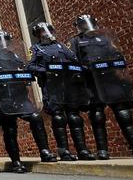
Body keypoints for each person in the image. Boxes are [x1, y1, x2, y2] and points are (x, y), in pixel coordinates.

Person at [69, 15, 133, 159]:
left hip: (111, 80)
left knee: (123, 113)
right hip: (92, 82)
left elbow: (116, 53)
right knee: (97, 116)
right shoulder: (76, 41)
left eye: (89, 23)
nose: (86, 26)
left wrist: (118, 61)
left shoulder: (104, 38)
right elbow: (73, 61)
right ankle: (102, 150)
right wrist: (83, 69)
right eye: (83, 24)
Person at [0, 30, 57, 173]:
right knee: (10, 128)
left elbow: (25, 71)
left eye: (6, 40)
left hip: (20, 97)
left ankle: (44, 151)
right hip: (3, 98)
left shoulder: (15, 57)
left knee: (36, 118)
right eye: (0, 41)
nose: (3, 43)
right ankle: (16, 161)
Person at [27, 22, 95, 161]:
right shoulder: (35, 49)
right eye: (42, 31)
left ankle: (82, 150)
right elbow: (30, 66)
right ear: (38, 34)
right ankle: (64, 151)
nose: (46, 33)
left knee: (74, 117)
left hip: (69, 85)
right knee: (58, 117)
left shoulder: (61, 46)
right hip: (52, 87)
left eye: (48, 30)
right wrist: (46, 70)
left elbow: (74, 59)